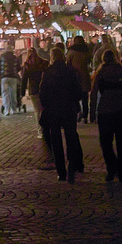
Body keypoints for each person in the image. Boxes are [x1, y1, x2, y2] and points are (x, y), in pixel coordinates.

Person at [90, 49, 122, 183]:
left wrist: (92, 112)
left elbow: (93, 94)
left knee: (106, 143)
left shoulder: (100, 73)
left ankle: (112, 169)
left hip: (106, 112)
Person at [38, 46, 84, 183]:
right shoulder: (70, 71)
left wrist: (46, 105)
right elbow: (78, 91)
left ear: (52, 57)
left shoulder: (47, 72)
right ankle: (72, 165)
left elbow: (42, 92)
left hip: (53, 110)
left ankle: (61, 172)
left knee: (56, 141)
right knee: (71, 138)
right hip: (69, 109)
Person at [21, 47, 49, 136]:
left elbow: (24, 80)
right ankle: (46, 128)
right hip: (43, 89)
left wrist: (22, 93)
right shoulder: (43, 63)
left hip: (33, 90)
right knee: (44, 109)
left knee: (37, 111)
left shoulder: (27, 65)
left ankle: (40, 131)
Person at [66, 35, 91, 122]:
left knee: (74, 96)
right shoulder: (86, 51)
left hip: (75, 76)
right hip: (84, 75)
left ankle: (78, 111)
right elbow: (89, 62)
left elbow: (68, 63)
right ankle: (85, 116)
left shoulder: (71, 51)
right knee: (85, 97)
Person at [0, 44, 20, 115]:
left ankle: (7, 110)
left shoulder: (2, 57)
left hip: (4, 77)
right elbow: (18, 67)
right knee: (13, 93)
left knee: (5, 94)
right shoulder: (15, 58)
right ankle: (14, 109)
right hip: (13, 77)